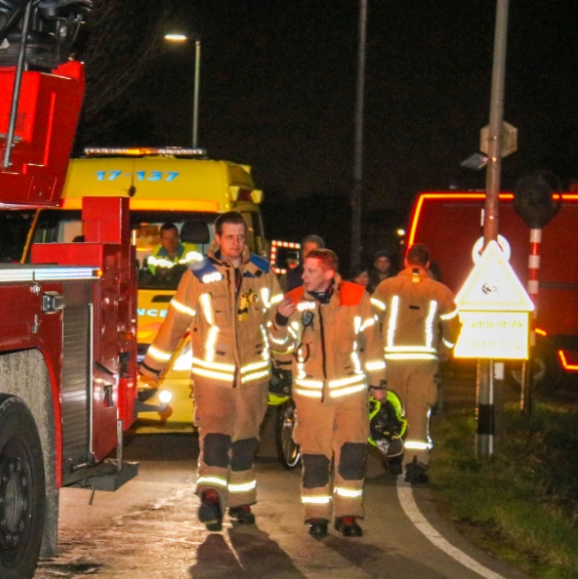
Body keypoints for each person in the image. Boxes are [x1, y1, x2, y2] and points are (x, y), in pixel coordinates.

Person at [139, 211, 282, 530]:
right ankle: (211, 497)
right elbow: (176, 322)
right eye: (230, 237)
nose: (236, 242)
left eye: (241, 236)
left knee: (245, 441)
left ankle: (241, 502)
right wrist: (152, 367)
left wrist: (285, 362)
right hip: (212, 377)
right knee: (216, 438)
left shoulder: (261, 272)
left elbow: (278, 321)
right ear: (217, 239)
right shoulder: (199, 274)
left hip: (253, 378)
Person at [269, 249, 386, 538]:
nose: (303, 275)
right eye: (304, 270)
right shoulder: (294, 300)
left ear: (329, 274)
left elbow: (373, 343)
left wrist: (379, 383)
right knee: (315, 457)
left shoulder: (357, 297)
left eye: (310, 270)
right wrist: (279, 323)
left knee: (352, 454)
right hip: (311, 398)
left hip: (350, 394)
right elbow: (279, 347)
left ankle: (348, 515)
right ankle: (316, 516)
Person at [372, 243, 461, 484]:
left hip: (391, 360)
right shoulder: (440, 291)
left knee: (392, 411)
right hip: (423, 361)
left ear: (406, 262)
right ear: (428, 265)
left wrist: (371, 351)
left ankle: (393, 456)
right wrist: (446, 350)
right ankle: (416, 464)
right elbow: (453, 327)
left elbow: (370, 321)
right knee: (418, 411)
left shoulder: (387, 287)